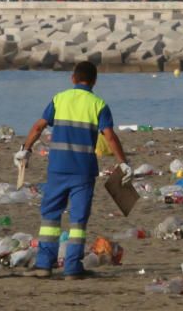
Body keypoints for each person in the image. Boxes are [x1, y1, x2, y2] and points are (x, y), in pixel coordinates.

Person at [17, 61, 128, 279]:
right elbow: (110, 137)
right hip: (83, 171)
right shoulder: (98, 104)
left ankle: (43, 265)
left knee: (50, 218)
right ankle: (72, 268)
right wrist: (122, 162)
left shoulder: (59, 99)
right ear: (94, 81)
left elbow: (39, 126)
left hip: (57, 168)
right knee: (78, 221)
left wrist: (25, 149)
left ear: (73, 78)